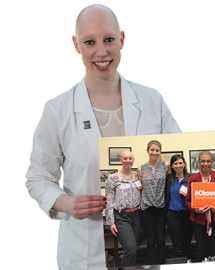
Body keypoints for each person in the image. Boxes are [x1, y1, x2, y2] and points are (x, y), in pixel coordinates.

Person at [25, 4, 180, 270]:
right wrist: (67, 203)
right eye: (89, 42)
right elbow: (38, 179)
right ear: (76, 44)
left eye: (109, 39)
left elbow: (180, 162)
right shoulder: (58, 110)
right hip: (84, 252)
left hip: (142, 234)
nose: (101, 52)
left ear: (122, 39)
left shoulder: (151, 101)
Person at [186, 151, 215, 262]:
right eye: (203, 161)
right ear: (198, 163)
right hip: (199, 221)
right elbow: (188, 201)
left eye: (208, 161)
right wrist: (196, 209)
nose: (205, 163)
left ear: (212, 163)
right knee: (201, 250)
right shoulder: (192, 179)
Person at [105, 151, 141, 267]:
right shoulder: (113, 178)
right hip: (121, 217)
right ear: (121, 160)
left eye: (130, 158)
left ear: (133, 160)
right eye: (125, 158)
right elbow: (109, 201)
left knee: (134, 249)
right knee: (131, 250)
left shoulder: (137, 176)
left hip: (136, 216)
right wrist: (111, 222)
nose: (128, 161)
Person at [138, 140, 169, 265]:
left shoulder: (165, 166)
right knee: (150, 240)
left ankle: (162, 263)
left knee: (161, 239)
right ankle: (152, 264)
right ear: (148, 151)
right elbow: (139, 187)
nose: (154, 152)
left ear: (160, 152)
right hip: (146, 208)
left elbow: (168, 183)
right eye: (152, 150)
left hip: (161, 207)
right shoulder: (141, 168)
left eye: (157, 150)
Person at [165, 154, 193, 260]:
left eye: (180, 163)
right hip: (173, 215)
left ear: (184, 164)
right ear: (172, 166)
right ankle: (177, 263)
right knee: (177, 243)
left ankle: (188, 262)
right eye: (175, 163)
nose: (178, 165)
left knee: (187, 242)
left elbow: (196, 195)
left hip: (188, 214)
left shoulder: (191, 178)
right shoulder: (168, 179)